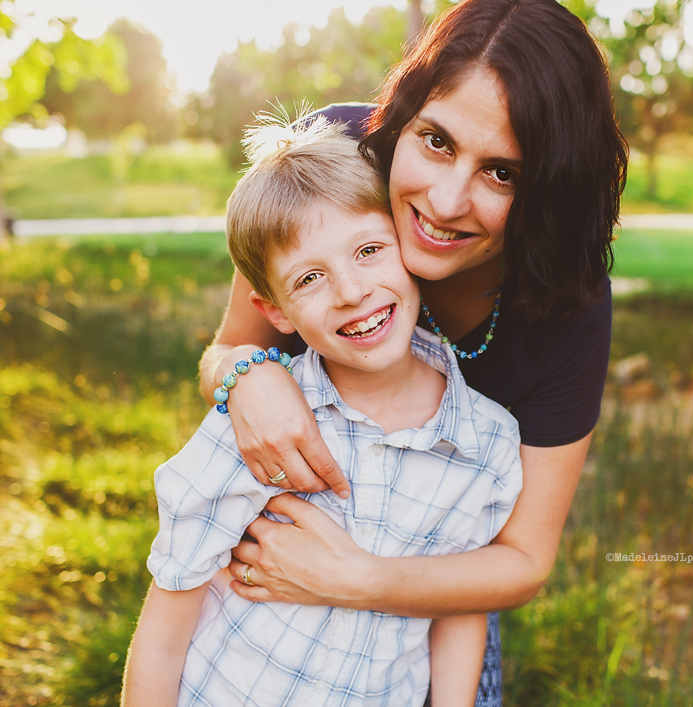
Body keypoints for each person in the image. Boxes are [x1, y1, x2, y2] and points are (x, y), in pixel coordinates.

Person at [198, 0, 628, 702]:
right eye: (436, 141)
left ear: (548, 191)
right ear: (404, 115)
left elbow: (522, 559)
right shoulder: (333, 156)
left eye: (503, 173)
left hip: (439, 588)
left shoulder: (566, 300)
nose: (446, 199)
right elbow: (225, 351)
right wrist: (249, 377)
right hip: (283, 557)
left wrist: (359, 578)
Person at [121, 119, 523, 706]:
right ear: (275, 310)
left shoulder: (486, 444)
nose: (351, 290)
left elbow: (457, 607)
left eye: (368, 250)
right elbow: (164, 628)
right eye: (309, 278)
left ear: (410, 246)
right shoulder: (258, 428)